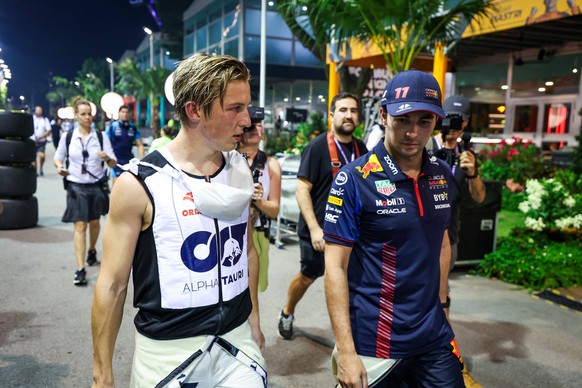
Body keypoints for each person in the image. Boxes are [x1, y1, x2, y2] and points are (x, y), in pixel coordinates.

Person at [91, 53, 266, 388]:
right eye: (235, 108)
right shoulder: (138, 184)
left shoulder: (240, 170)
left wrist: (253, 322)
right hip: (168, 354)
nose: (248, 121)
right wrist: (102, 375)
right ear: (194, 110)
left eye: (247, 107)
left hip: (237, 345)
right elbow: (112, 285)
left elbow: (247, 252)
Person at [323, 69, 464, 387]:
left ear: (435, 123)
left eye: (424, 122)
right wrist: (346, 351)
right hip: (376, 342)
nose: (413, 133)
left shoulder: (441, 174)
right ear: (384, 115)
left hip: (432, 336)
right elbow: (334, 267)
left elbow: (441, 243)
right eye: (403, 120)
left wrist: (442, 305)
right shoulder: (355, 179)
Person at [278, 92, 367, 340]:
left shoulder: (362, 149)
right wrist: (316, 229)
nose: (349, 115)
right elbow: (302, 189)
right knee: (308, 277)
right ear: (331, 115)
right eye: (343, 110)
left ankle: (348, 334)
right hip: (317, 230)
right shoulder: (317, 147)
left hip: (349, 232)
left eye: (353, 110)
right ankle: (287, 312)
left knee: (348, 281)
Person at [53, 100, 116, 286]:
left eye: (89, 114)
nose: (88, 117)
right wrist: (59, 168)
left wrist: (108, 158)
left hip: (96, 185)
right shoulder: (68, 136)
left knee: (94, 222)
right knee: (80, 225)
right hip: (75, 185)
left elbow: (113, 163)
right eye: (83, 114)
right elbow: (58, 158)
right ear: (76, 115)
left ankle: (91, 250)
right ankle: (80, 268)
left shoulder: (101, 136)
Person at [237, 106, 282, 292]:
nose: (256, 129)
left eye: (260, 125)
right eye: (250, 126)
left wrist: (257, 200)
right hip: (233, 232)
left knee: (252, 290)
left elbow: (274, 209)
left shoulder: (271, 164)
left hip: (258, 233)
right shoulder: (227, 160)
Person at [105, 105, 145, 185]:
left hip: (129, 160)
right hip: (115, 161)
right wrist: (107, 159)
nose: (125, 114)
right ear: (119, 113)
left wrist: (143, 159)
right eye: (123, 112)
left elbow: (139, 144)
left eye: (127, 112)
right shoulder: (112, 127)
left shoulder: (133, 128)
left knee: (129, 185)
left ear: (129, 114)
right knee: (116, 185)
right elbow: (106, 143)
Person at [31, 106, 52, 176]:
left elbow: (48, 130)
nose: (39, 112)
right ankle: (35, 171)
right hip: (32, 140)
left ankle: (41, 168)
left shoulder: (45, 120)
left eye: (40, 110)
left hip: (41, 141)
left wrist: (41, 137)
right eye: (37, 110)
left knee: (41, 156)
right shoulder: (31, 119)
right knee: (33, 158)